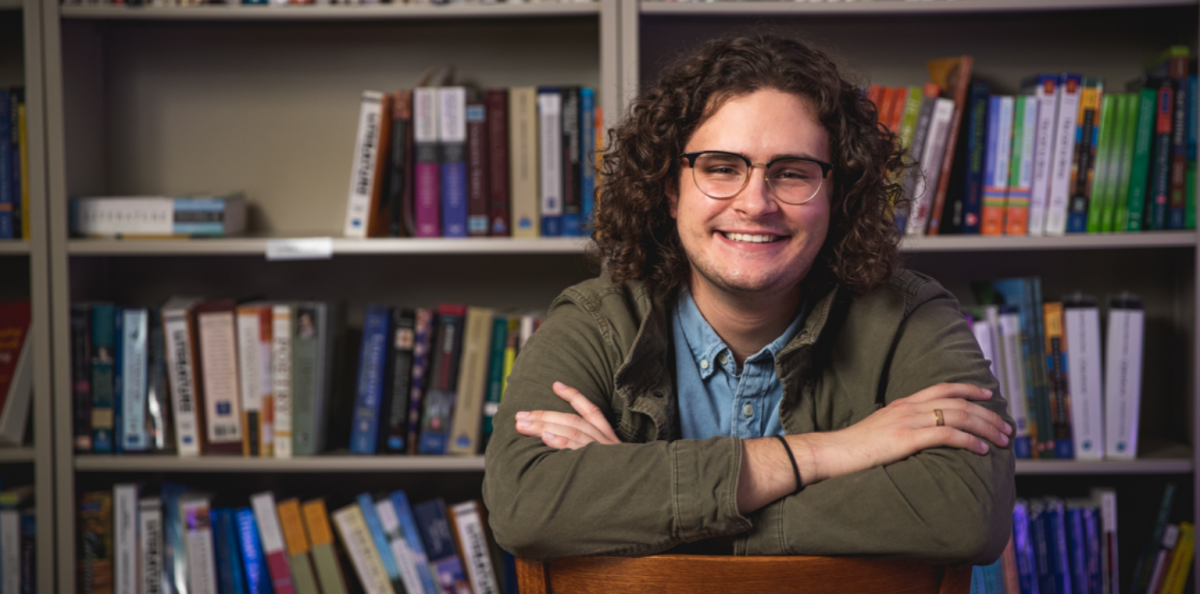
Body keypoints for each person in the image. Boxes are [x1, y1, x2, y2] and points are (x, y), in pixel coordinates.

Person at [482, 33, 1015, 564]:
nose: (755, 204)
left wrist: (647, 510)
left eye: (791, 174)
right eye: (720, 168)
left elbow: (966, 513)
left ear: (836, 194)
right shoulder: (597, 321)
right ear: (672, 190)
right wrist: (832, 451)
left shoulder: (909, 317)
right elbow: (526, 503)